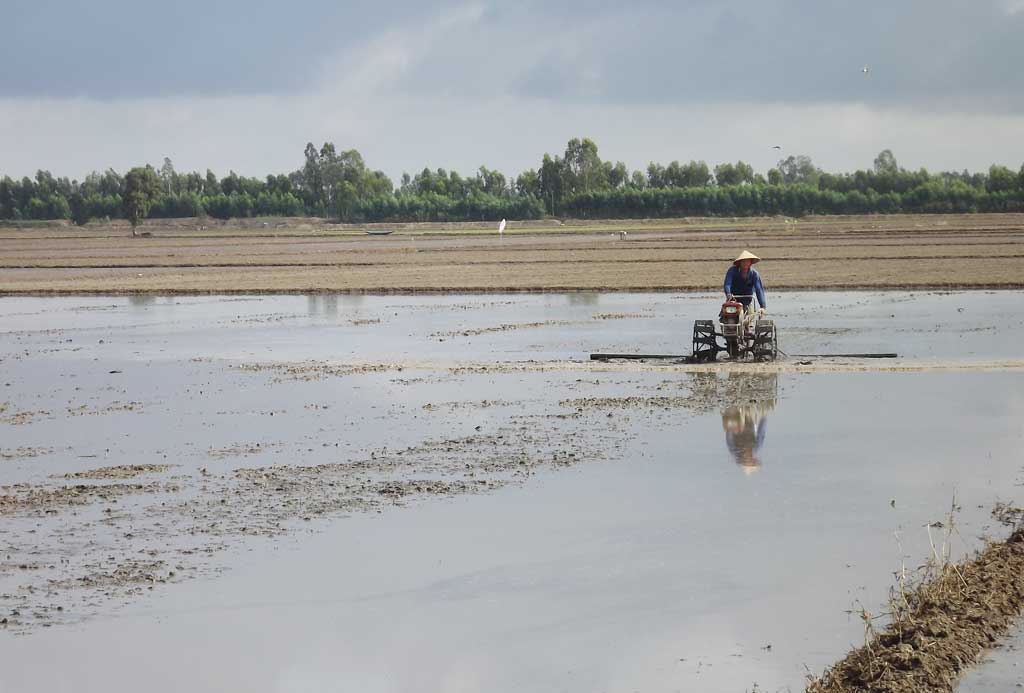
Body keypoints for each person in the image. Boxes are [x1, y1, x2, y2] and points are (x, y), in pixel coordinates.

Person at [723, 250, 767, 323]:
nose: (745, 263)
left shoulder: (754, 274)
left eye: (747, 261)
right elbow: (727, 284)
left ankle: (748, 328)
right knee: (727, 317)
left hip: (747, 301)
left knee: (749, 319)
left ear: (750, 263)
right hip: (733, 300)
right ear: (740, 263)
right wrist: (728, 293)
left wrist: (763, 306)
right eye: (743, 261)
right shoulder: (732, 271)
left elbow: (759, 290)